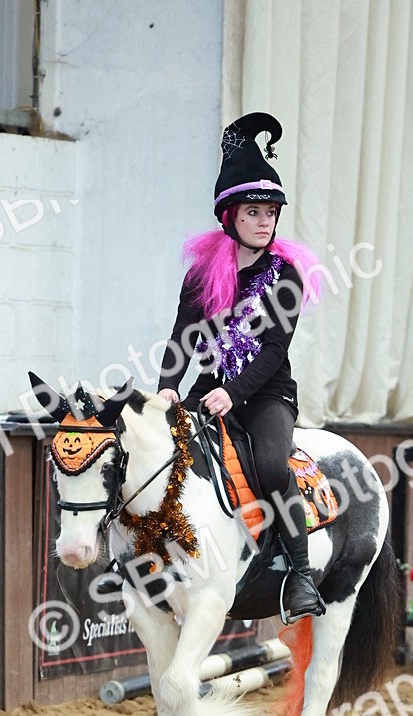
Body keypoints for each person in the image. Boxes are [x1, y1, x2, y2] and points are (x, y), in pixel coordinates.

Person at [157, 112, 326, 621]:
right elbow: (182, 337)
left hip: (267, 394)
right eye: (254, 212)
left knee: (273, 463)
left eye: (270, 212)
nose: (264, 221)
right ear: (229, 217)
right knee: (164, 453)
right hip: (211, 387)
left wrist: (234, 393)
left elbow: (274, 350)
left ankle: (299, 574)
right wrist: (167, 388)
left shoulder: (286, 275)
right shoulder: (201, 275)